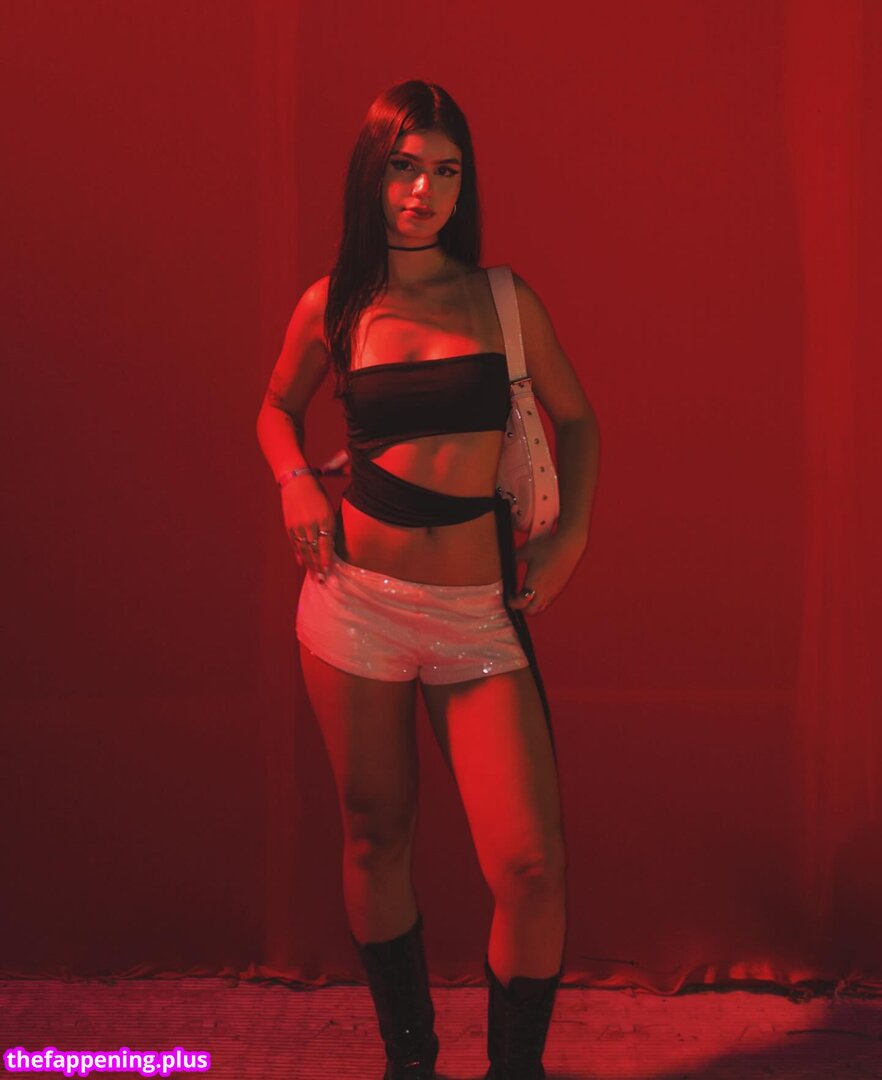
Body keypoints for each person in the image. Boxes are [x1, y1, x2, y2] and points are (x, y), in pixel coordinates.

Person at [256, 79, 599, 1080]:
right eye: (405, 168)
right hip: (354, 606)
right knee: (376, 838)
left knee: (531, 866)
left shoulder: (501, 298)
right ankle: (410, 1062)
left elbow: (578, 420)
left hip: (477, 615)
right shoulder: (334, 303)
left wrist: (570, 537)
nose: (423, 191)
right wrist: (294, 481)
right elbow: (274, 409)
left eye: (446, 172)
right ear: (373, 174)